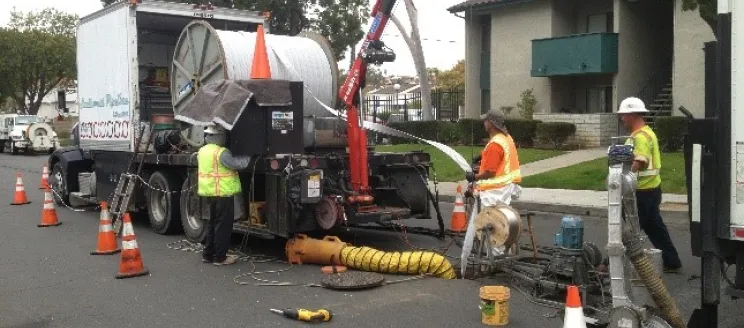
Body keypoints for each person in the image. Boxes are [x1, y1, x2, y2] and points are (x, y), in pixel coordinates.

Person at [616, 97, 682, 273]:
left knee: (629, 230)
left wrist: (620, 176)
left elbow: (640, 161)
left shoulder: (640, 137)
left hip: (642, 192)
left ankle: (611, 264)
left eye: (623, 114)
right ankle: (672, 261)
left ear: (632, 114)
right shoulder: (646, 132)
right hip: (651, 189)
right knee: (655, 228)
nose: (622, 118)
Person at [197, 125, 250, 266]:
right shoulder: (221, 153)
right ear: (219, 137)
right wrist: (249, 152)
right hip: (223, 192)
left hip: (210, 193)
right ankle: (220, 257)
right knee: (223, 226)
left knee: (212, 223)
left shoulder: (203, 151)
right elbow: (240, 164)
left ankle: (208, 255)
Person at [465, 108, 522, 207]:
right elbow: (501, 163)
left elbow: (490, 173)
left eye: (486, 120)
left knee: (480, 217)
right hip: (507, 185)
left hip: (496, 190)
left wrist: (474, 177)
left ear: (491, 123)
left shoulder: (495, 144)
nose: (484, 122)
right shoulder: (506, 138)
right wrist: (481, 166)